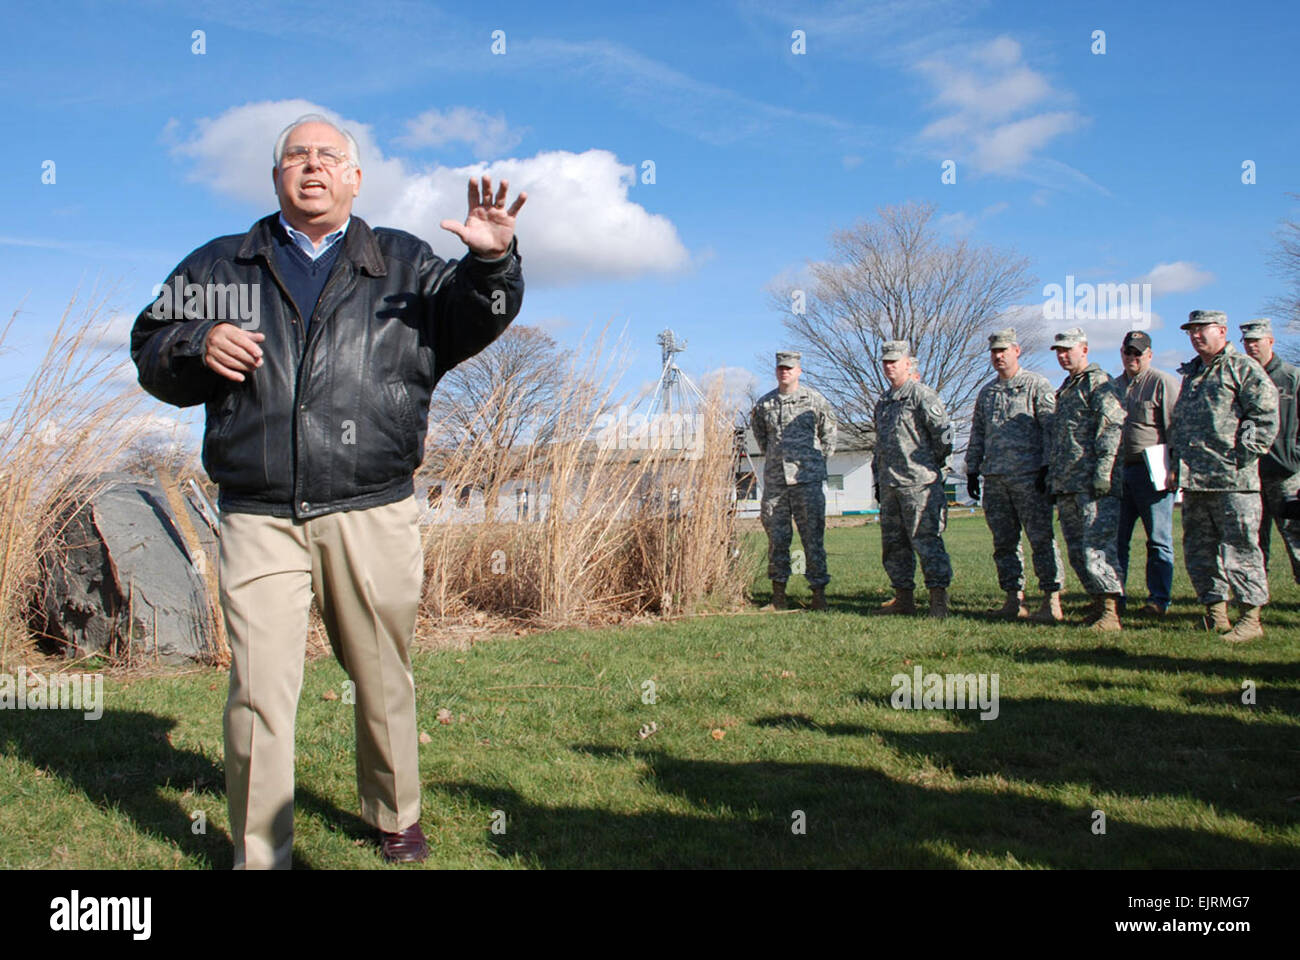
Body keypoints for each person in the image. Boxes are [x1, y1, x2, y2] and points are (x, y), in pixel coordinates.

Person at [131, 114, 526, 868]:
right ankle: (261, 849)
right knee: (259, 688)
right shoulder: (220, 265)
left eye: (328, 157)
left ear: (355, 178)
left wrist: (492, 265)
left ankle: (395, 814)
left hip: (371, 506)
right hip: (258, 512)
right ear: (277, 175)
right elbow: (148, 346)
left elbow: (478, 317)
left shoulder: (405, 263)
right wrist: (193, 343)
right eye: (295, 157)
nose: (311, 167)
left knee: (382, 673)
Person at [1169, 311, 1279, 642]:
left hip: (1233, 481)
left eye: (1203, 330)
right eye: (1192, 331)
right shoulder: (1193, 373)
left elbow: (1266, 413)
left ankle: (1249, 618)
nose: (1196, 336)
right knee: (1199, 550)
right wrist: (1176, 462)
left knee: (1242, 549)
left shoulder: (1241, 367)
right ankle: (1215, 613)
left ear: (1222, 331)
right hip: (1196, 480)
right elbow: (1181, 424)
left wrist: (1245, 454)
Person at [966, 328, 1063, 622]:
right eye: (994, 352)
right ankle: (1013, 599)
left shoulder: (1036, 385)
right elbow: (978, 433)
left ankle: (1051, 600)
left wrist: (1047, 467)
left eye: (1003, 350)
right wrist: (972, 469)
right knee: (1004, 543)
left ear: (1016, 351)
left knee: (1041, 540)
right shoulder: (987, 392)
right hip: (996, 479)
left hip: (1029, 477)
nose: (998, 356)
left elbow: (1050, 429)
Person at [1047, 328, 1126, 630]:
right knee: (1078, 549)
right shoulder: (1067, 386)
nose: (1063, 355)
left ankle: (1110, 612)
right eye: (1058, 351)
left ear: (1084, 349)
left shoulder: (1098, 382)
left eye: (1068, 349)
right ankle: (1096, 604)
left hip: (1093, 483)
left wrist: (1103, 473)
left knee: (1097, 547)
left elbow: (1110, 428)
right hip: (1068, 483)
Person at [750, 351, 837, 611]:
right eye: (780, 368)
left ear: (799, 370)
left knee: (812, 539)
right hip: (777, 484)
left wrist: (816, 463)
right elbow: (761, 437)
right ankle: (778, 596)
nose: (784, 371)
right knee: (777, 539)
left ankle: (818, 595)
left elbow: (829, 435)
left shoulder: (814, 400)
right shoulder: (765, 405)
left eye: (789, 368)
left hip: (806, 481)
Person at [872, 340, 953, 618]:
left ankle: (938, 601)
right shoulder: (883, 402)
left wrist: (931, 466)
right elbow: (880, 445)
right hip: (890, 485)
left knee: (927, 542)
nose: (889, 366)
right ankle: (903, 598)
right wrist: (878, 480)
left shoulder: (921, 396)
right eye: (885, 362)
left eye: (895, 361)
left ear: (908, 363)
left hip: (919, 484)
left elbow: (944, 436)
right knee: (894, 547)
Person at [1113, 330, 1181, 616]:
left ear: (1149, 354)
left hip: (1152, 471)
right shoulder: (1113, 386)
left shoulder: (1162, 383)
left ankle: (1158, 600)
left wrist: (1175, 469)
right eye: (1128, 352)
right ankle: (1116, 597)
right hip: (1118, 472)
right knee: (1116, 541)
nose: (1132, 358)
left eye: (1138, 353)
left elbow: (1174, 428)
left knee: (1158, 540)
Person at [1240, 319, 1300, 583]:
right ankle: (1257, 596)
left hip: (1286, 472)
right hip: (1251, 472)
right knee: (1253, 539)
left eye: (1257, 341)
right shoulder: (1242, 377)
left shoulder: (1290, 376)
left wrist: (1294, 455)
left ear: (1271, 342)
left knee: (1295, 534)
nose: (1252, 346)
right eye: (1247, 341)